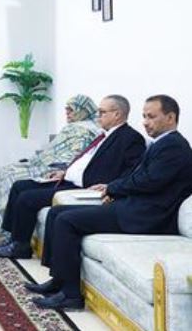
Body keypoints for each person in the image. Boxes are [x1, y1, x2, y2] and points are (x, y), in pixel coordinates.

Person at [27, 95, 192, 310]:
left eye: (151, 117)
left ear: (170, 118)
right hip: (135, 206)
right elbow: (137, 176)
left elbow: (149, 181)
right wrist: (114, 189)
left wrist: (113, 188)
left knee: (66, 221)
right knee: (58, 212)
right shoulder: (162, 143)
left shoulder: (174, 146)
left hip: (147, 216)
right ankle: (59, 280)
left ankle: (71, 295)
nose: (145, 122)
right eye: (144, 116)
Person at [0, 95, 145, 259]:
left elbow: (132, 171)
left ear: (117, 114)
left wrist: (110, 186)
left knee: (27, 198)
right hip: (68, 179)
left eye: (102, 112)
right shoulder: (104, 135)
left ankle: (21, 247)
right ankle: (11, 237)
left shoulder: (130, 138)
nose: (98, 116)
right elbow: (86, 160)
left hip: (84, 187)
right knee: (19, 186)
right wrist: (66, 171)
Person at [0, 94, 101, 242]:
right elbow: (55, 150)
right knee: (8, 172)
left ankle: (3, 233)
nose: (67, 112)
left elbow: (71, 156)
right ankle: (4, 231)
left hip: (57, 169)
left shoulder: (85, 130)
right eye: (66, 108)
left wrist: (51, 165)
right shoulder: (78, 126)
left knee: (9, 174)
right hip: (50, 165)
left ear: (83, 110)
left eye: (71, 109)